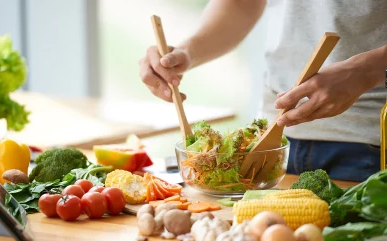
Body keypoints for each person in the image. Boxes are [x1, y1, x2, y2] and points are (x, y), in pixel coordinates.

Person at [138, 0, 387, 182]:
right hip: (271, 143)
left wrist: (368, 71)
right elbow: (241, 4)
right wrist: (186, 52)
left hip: (371, 141)